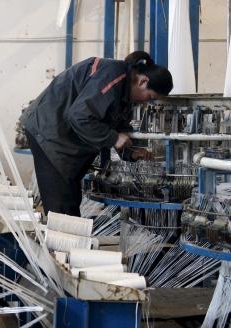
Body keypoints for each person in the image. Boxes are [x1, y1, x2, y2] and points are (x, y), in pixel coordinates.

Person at [19, 51, 173, 216]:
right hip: (49, 131)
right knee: (61, 205)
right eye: (149, 97)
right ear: (143, 81)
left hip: (63, 135)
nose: (146, 102)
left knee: (70, 199)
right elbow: (80, 116)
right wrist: (113, 138)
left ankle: (69, 230)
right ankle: (60, 231)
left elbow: (118, 124)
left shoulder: (126, 91)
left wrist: (130, 152)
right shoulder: (113, 76)